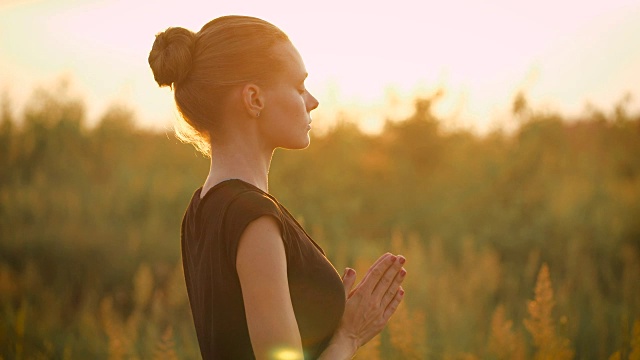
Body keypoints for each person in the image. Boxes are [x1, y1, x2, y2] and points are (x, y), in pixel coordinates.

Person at [148, 15, 407, 360]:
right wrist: (350, 335)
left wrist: (322, 321)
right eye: (299, 88)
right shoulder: (254, 219)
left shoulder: (201, 206)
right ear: (254, 99)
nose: (312, 101)